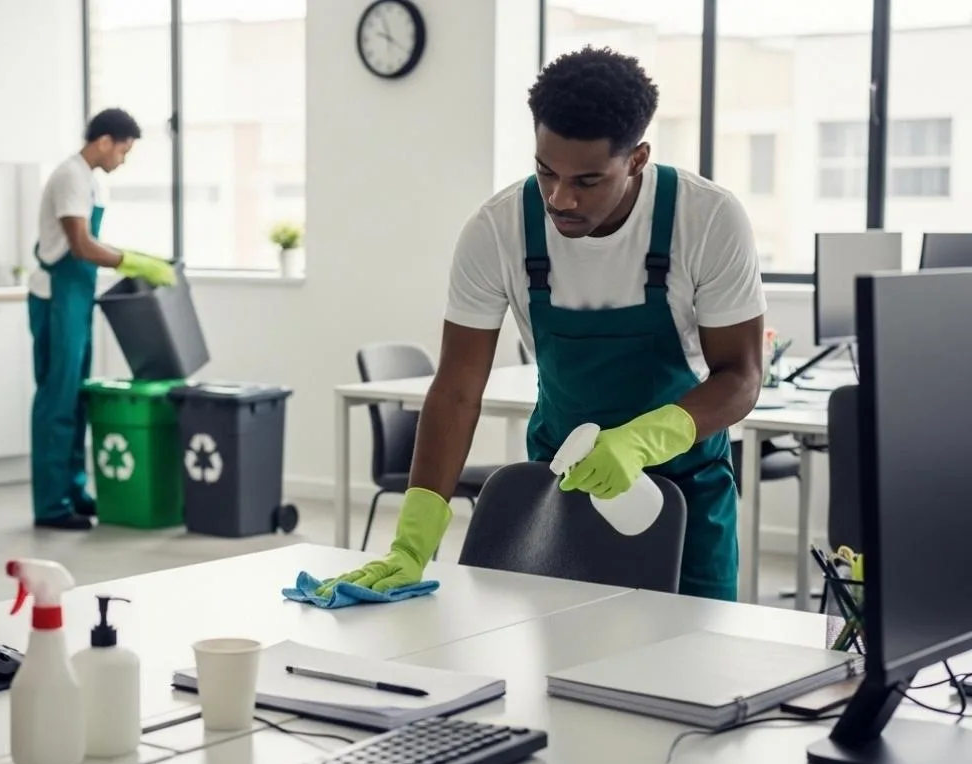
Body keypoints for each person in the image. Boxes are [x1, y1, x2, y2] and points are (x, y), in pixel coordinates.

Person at [320, 47, 765, 601]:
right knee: (562, 665)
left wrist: (637, 443)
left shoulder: (706, 219)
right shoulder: (498, 230)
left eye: (588, 180)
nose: (560, 197)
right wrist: (413, 543)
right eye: (546, 171)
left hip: (687, 489)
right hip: (563, 487)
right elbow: (457, 390)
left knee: (696, 672)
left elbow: (741, 377)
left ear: (637, 158)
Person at [28, 108, 176, 530]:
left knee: (76, 397)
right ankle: (52, 505)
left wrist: (133, 260)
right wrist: (134, 262)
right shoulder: (70, 177)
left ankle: (73, 491)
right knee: (57, 399)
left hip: (76, 298)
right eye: (123, 151)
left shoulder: (87, 178)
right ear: (105, 140)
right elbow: (80, 245)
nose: (122, 160)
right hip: (57, 296)